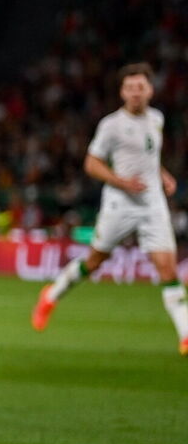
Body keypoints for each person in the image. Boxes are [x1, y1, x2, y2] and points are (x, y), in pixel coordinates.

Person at [32, 62, 188, 353]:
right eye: (130, 88)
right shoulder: (111, 125)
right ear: (122, 92)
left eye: (140, 87)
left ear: (150, 90)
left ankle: (185, 334)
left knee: (167, 268)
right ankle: (51, 294)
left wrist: (162, 174)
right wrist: (121, 181)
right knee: (95, 261)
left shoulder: (156, 118)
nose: (135, 93)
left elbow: (149, 156)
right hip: (120, 202)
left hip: (152, 203)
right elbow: (91, 164)